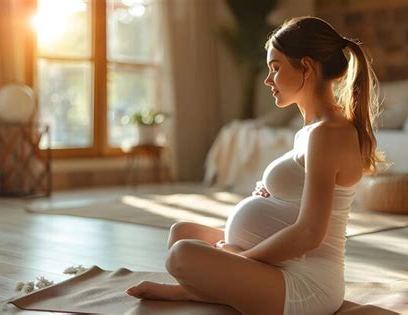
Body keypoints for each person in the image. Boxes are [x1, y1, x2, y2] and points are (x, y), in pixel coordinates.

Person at [126, 16, 384, 315]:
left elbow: (310, 233)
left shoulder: (328, 133)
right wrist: (273, 197)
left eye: (276, 68)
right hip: (280, 267)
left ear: (306, 67)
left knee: (182, 256)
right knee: (183, 233)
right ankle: (214, 291)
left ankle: (199, 293)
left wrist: (242, 257)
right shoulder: (312, 131)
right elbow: (300, 198)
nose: (268, 79)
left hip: (305, 285)